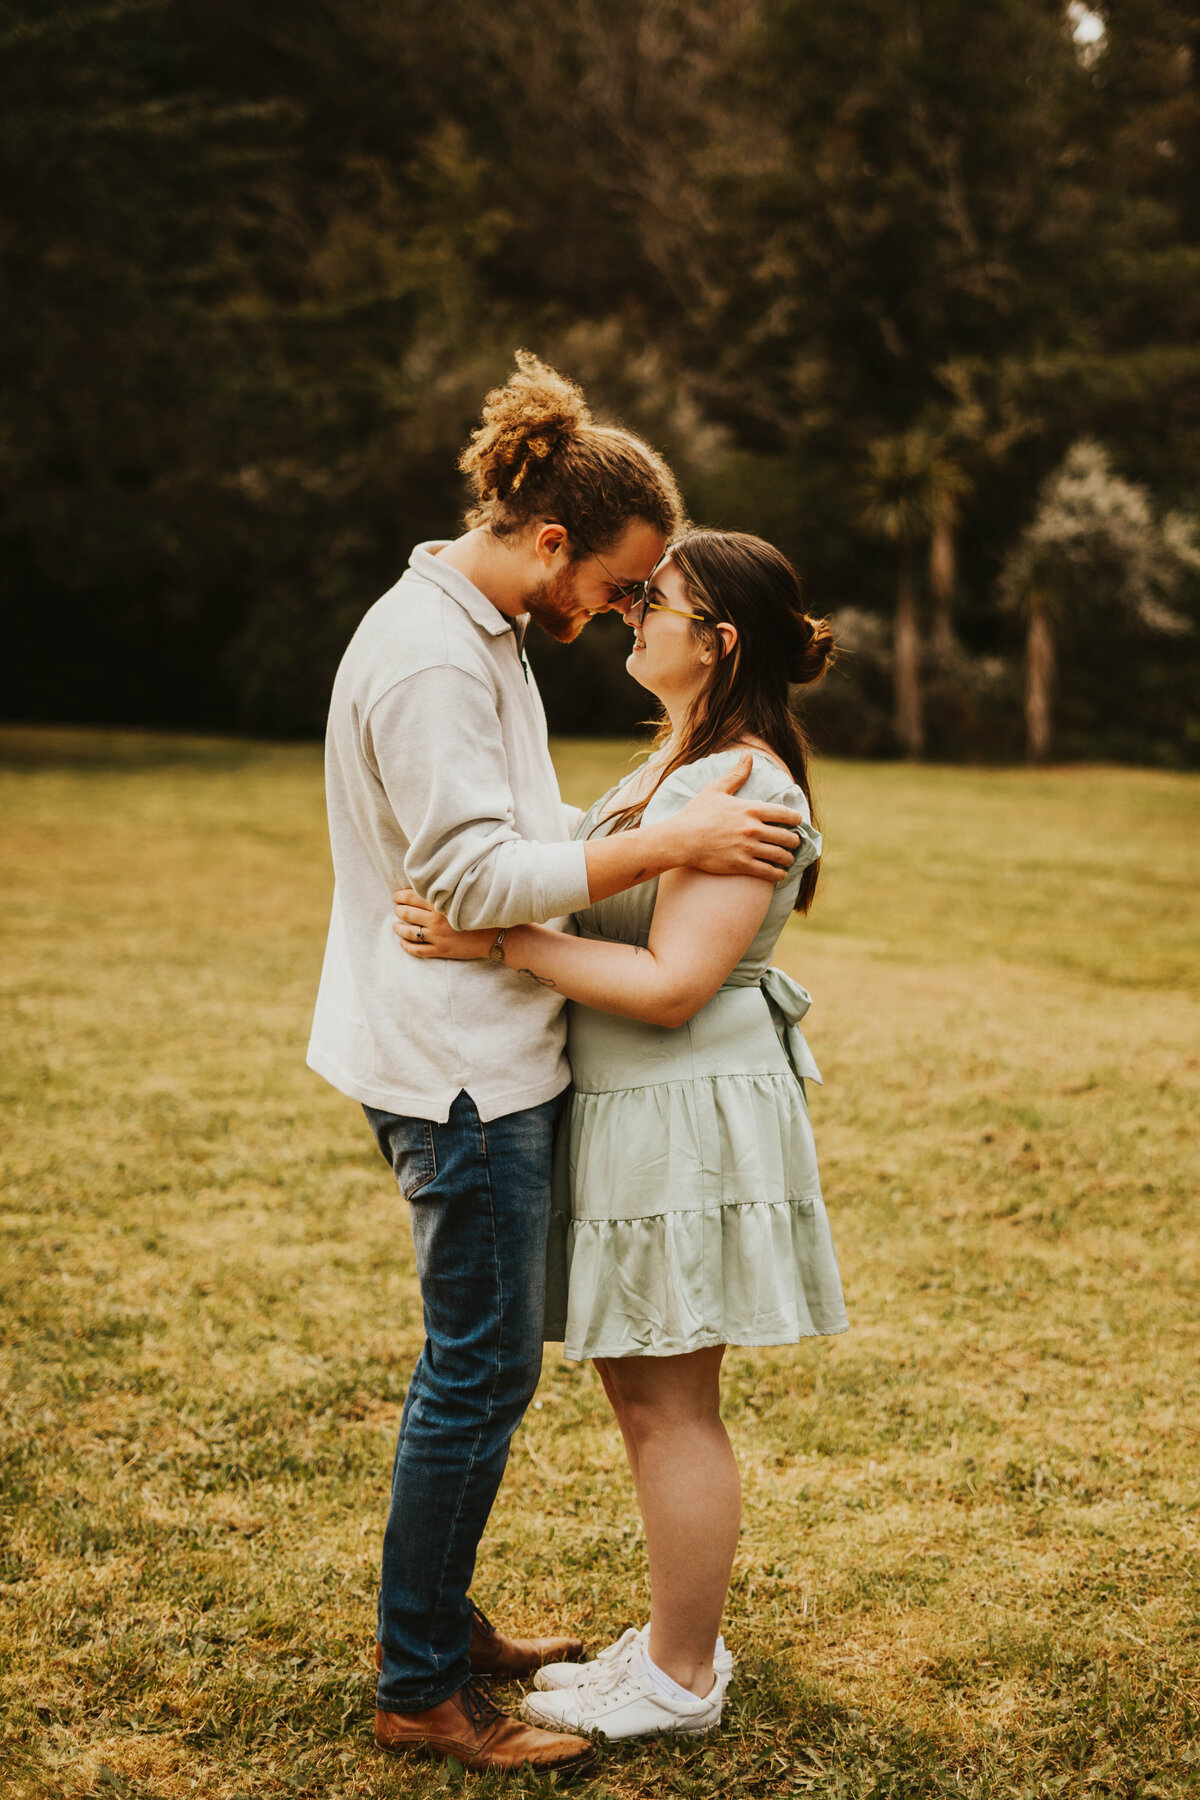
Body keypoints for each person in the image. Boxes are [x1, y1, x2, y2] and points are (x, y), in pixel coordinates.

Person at [306, 355, 809, 1775]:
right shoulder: (427, 653)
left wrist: (582, 892)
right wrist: (663, 843)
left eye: (652, 599)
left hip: (501, 1052)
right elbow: (469, 876)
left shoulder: (482, 636)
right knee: (475, 1374)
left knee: (485, 1368)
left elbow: (529, 892)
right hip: (460, 1074)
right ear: (549, 546)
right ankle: (422, 1683)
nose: (615, 612)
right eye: (619, 583)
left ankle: (442, 1629)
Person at [394, 526, 849, 1743]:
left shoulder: (745, 780)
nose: (630, 613)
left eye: (657, 600)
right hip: (638, 1106)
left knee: (670, 1405)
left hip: (685, 1107)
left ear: (721, 641)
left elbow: (669, 982)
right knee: (640, 1389)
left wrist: (498, 941)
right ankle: (665, 1648)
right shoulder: (677, 762)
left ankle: (683, 1678)